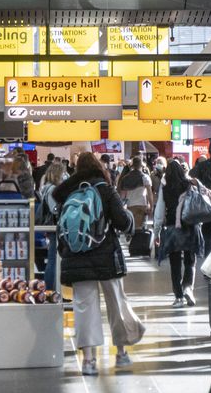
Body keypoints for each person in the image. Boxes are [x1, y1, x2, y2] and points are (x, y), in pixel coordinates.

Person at [52, 152, 144, 376]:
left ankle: (89, 360)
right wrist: (131, 222)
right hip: (105, 255)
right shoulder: (104, 188)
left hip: (76, 257)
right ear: (97, 167)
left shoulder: (67, 192)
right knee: (116, 303)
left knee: (84, 308)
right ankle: (121, 352)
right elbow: (122, 221)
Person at [154, 160, 211, 307]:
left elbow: (159, 211)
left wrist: (157, 232)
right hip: (192, 226)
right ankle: (188, 288)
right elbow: (202, 201)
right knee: (190, 261)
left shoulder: (165, 188)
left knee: (175, 263)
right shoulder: (190, 184)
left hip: (173, 228)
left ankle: (178, 297)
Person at [38, 161, 67, 290]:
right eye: (63, 174)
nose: (65, 176)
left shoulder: (46, 187)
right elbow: (54, 209)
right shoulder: (52, 189)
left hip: (52, 227)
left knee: (54, 258)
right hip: (54, 227)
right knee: (54, 259)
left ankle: (54, 289)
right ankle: (51, 289)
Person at [118, 157, 154, 231]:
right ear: (141, 166)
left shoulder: (125, 178)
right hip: (142, 205)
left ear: (132, 166)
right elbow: (150, 194)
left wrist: (121, 208)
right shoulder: (145, 177)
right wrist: (151, 206)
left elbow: (122, 196)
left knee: (132, 228)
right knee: (140, 228)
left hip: (130, 206)